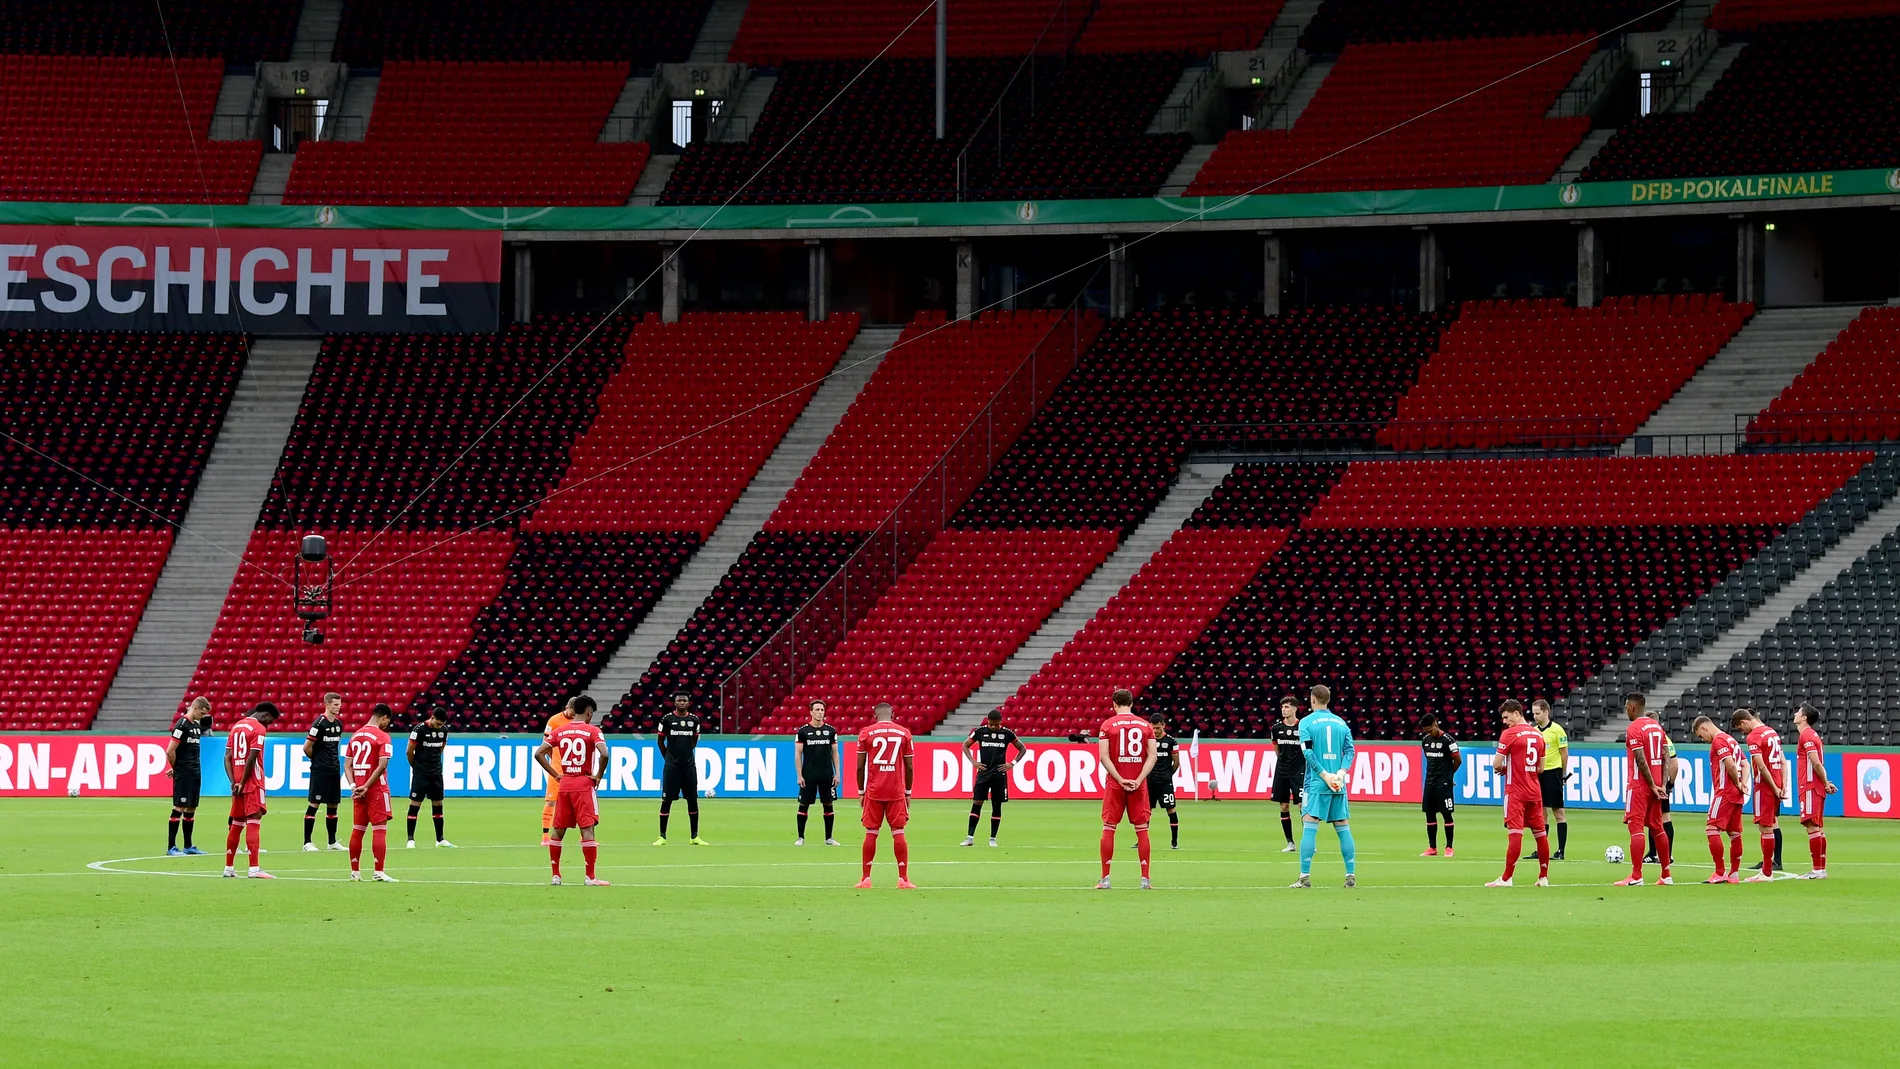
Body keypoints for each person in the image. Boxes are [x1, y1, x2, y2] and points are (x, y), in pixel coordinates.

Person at [534, 695, 609, 886]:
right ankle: (590, 877)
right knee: (587, 829)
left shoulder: (560, 730)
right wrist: (598, 775)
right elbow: (604, 753)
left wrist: (556, 774)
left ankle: (556, 876)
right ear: (589, 712)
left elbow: (539, 753)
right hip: (583, 784)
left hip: (565, 783)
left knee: (558, 830)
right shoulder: (593, 730)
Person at [1293, 686, 1356, 889]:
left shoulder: (1306, 722)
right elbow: (1350, 751)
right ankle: (1350, 875)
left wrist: (1324, 775)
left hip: (1318, 782)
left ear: (1312, 699)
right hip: (1338, 782)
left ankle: (1304, 877)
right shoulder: (1341, 722)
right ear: (1328, 699)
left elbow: (1308, 753)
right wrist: (1341, 773)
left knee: (1309, 825)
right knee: (1343, 828)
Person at [1096, 689, 1157, 889]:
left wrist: (1120, 778)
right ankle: (1145, 879)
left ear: (1114, 704)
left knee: (1109, 828)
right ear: (1131, 703)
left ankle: (1105, 879)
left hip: (1115, 784)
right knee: (1142, 830)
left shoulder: (1107, 725)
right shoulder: (1146, 725)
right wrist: (1138, 779)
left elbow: (1103, 756)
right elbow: (1152, 756)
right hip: (1138, 785)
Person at [1487, 700, 1550, 888]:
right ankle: (1543, 877)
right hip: (1534, 792)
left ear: (1516, 713)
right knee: (1540, 834)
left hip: (1516, 791)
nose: (1505, 722)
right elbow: (1540, 768)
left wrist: (1507, 768)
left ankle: (1506, 878)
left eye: (1506, 717)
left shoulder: (1509, 734)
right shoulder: (1538, 735)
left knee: (1515, 834)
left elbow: (1497, 764)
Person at [856, 702, 915, 889]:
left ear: (875, 716)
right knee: (898, 832)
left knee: (871, 833)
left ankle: (866, 879)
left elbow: (859, 766)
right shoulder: (904, 733)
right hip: (896, 790)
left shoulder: (866, 733)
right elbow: (910, 766)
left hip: (874, 790)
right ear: (893, 714)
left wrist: (860, 791)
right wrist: (908, 792)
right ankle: (903, 879)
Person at [1616, 694, 1672, 886]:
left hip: (1640, 785)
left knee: (1636, 828)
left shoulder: (1634, 728)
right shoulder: (1657, 727)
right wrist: (1662, 785)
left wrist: (1650, 785)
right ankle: (1666, 875)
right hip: (1657, 785)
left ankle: (1637, 875)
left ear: (1632, 707)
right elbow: (1666, 757)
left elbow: (1640, 760)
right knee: (1658, 828)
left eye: (1626, 707)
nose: (1625, 711)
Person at [224, 701, 280, 879]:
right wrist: (244, 781)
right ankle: (254, 869)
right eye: (269, 721)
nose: (268, 725)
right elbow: (252, 757)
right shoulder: (259, 729)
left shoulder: (236, 726)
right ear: (265, 715)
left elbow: (227, 757)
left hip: (237, 782)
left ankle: (229, 868)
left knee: (237, 824)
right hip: (253, 782)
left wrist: (234, 782)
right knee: (254, 821)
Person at [346, 704, 398, 882]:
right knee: (379, 830)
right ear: (383, 717)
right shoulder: (383, 737)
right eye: (387, 721)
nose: (386, 724)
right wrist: (367, 786)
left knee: (357, 830)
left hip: (358, 789)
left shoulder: (355, 735)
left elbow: (347, 764)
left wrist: (354, 785)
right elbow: (383, 764)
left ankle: (355, 872)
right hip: (375, 789)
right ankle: (379, 872)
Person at [1693, 715, 1747, 884]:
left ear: (1704, 728)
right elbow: (1745, 764)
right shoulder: (1731, 740)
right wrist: (1743, 784)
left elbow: (1730, 764)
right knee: (1734, 833)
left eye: (1701, 736)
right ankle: (1734, 874)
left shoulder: (1719, 740)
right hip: (1736, 795)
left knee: (1711, 828)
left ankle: (1720, 872)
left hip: (1724, 792)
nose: (1703, 740)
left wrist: (1737, 783)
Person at [1735, 707, 1785, 882]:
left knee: (1765, 827)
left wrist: (1772, 787)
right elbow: (1783, 761)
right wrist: (1782, 785)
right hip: (1777, 782)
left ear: (1744, 722)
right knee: (1770, 824)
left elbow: (1761, 766)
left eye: (1741, 728)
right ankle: (1767, 869)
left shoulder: (1754, 737)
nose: (1743, 732)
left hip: (1765, 786)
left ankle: (1766, 872)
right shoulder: (1772, 733)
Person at [962, 709, 1024, 847]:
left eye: (995, 724)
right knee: (977, 803)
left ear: (1000, 722)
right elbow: (965, 745)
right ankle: (969, 837)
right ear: (987, 721)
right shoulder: (980, 732)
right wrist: (974, 762)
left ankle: (992, 839)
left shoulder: (1007, 734)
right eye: (991, 724)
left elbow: (1022, 748)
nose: (993, 727)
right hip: (983, 773)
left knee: (997, 805)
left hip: (999, 774)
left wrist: (1011, 764)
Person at [654, 693, 706, 846]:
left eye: (684, 700)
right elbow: (660, 741)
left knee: (692, 800)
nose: (682, 703)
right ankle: (662, 836)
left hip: (688, 766)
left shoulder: (694, 720)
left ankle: (694, 836)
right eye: (679, 700)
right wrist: (668, 758)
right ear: (674, 703)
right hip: (672, 767)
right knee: (667, 800)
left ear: (689, 703)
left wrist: (685, 755)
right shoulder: (666, 719)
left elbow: (694, 741)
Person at [1794, 703, 1838, 879]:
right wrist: (1825, 782)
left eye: (1799, 712)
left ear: (1804, 718)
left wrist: (1826, 782)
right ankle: (1820, 869)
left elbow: (1815, 762)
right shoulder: (1811, 735)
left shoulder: (1807, 735)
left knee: (1812, 827)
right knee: (1817, 828)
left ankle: (1817, 870)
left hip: (1810, 786)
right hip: (1814, 786)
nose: (1795, 714)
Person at [165, 697, 212, 855]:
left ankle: (188, 846)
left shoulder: (196, 727)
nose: (203, 716)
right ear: (195, 708)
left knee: (191, 808)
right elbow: (170, 751)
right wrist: (176, 768)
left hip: (194, 772)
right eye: (202, 713)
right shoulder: (182, 725)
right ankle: (171, 847)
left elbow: (184, 751)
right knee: (179, 807)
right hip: (184, 773)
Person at [794, 700, 841, 846]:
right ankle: (800, 837)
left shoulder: (831, 731)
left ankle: (829, 838)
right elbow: (798, 754)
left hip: (827, 775)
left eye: (822, 710)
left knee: (828, 804)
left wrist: (837, 773)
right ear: (811, 712)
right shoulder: (803, 732)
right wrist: (799, 775)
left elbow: (835, 754)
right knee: (804, 804)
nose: (820, 712)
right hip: (809, 775)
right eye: (817, 709)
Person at [302, 692, 345, 853]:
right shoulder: (319, 723)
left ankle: (332, 842)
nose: (338, 707)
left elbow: (335, 747)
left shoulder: (339, 725)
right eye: (335, 704)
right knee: (315, 803)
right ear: (327, 704)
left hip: (334, 769)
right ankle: (307, 842)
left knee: (333, 804)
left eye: (339, 704)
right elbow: (307, 747)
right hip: (320, 770)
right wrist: (318, 760)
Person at [406, 708, 453, 848]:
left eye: (441, 724)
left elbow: (441, 748)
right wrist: (416, 766)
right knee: (415, 805)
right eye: (437, 723)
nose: (439, 726)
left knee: (438, 805)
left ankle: (440, 840)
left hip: (436, 773)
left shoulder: (443, 731)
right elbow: (409, 751)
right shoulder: (419, 729)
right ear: (432, 718)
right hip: (421, 773)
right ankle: (410, 840)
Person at [1532, 699, 1569, 860]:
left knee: (1558, 812)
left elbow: (1564, 754)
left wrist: (1563, 774)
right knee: (1541, 813)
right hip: (1538, 774)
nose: (1535, 716)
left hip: (1553, 773)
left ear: (1546, 712)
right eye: (1533, 713)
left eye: (1538, 713)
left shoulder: (1557, 730)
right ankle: (1542, 850)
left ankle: (1560, 850)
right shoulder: (1533, 731)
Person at [1419, 714, 1460, 857]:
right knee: (1429, 814)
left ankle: (1449, 848)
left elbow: (1458, 760)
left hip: (1444, 784)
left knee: (1446, 814)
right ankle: (1432, 848)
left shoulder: (1448, 740)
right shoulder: (1425, 741)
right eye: (1425, 731)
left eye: (1430, 730)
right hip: (1429, 783)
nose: (1428, 733)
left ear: (1436, 724)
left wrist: (1449, 776)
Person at [1269, 697, 1304, 852]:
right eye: (1282, 706)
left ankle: (1309, 842)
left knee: (1303, 806)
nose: (1284, 709)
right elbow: (1276, 749)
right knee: (1283, 806)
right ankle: (1290, 843)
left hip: (1299, 772)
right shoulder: (1276, 729)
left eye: (1287, 707)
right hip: (1282, 771)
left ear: (1295, 709)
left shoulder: (1303, 727)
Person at [540, 698, 575, 844]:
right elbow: (545, 744)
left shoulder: (578, 722)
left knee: (578, 803)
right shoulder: (554, 721)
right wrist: (555, 759)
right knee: (551, 801)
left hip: (573, 769)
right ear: (567, 707)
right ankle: (545, 837)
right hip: (557, 768)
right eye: (572, 711)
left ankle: (584, 838)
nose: (573, 715)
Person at [1645, 732, 1681, 865]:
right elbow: (1675, 765)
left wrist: (1667, 784)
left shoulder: (1655, 738)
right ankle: (1662, 855)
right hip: (1661, 783)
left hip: (1656, 783)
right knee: (1659, 816)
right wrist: (1669, 784)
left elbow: (1674, 764)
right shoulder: (1665, 738)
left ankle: (1656, 854)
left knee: (1660, 817)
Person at [1148, 712, 1183, 850]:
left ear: (1163, 725)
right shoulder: (1148, 740)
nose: (1155, 731)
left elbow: (1176, 762)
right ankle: (1141, 841)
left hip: (1165, 783)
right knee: (1146, 811)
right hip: (1150, 781)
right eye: (1153, 728)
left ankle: (1174, 842)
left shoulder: (1171, 741)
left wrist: (1168, 774)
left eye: (1158, 728)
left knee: (1171, 809)